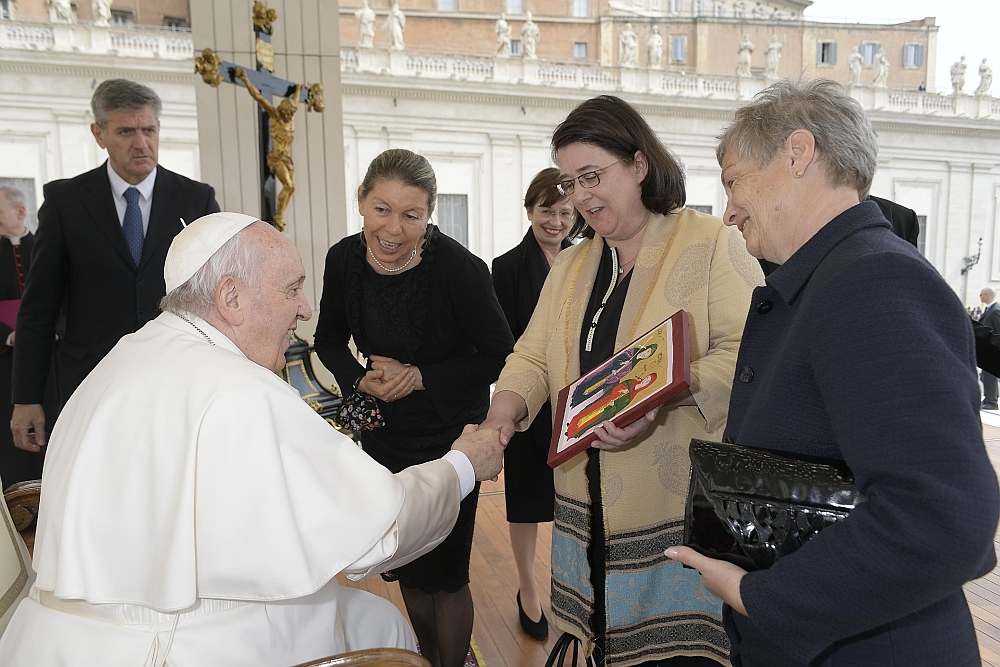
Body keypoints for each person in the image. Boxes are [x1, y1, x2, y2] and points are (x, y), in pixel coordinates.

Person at [0, 211, 506, 665]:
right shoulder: (239, 390)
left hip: (52, 641)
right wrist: (462, 463)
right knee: (386, 629)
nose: (305, 309)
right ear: (231, 298)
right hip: (179, 645)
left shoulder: (125, 355)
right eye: (291, 288)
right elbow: (379, 531)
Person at [667, 79, 999, 667]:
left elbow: (941, 518)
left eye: (733, 179)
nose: (729, 208)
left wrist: (760, 596)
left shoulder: (872, 282)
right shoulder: (832, 278)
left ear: (798, 153)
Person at [482, 95, 763, 666]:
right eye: (569, 183)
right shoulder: (572, 265)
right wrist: (498, 419)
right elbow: (533, 356)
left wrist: (658, 401)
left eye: (592, 176)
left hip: (676, 507)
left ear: (639, 165)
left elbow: (752, 353)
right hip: (582, 511)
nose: (580, 195)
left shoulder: (710, 243)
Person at [313, 149, 514, 667]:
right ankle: (428, 658)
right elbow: (329, 339)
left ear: (429, 215)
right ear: (360, 201)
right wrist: (361, 378)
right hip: (384, 436)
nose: (395, 228)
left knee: (447, 576)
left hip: (451, 439)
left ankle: (451, 662)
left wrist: (421, 377)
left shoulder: (459, 269)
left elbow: (498, 353)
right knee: (406, 563)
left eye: (411, 214)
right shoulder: (343, 261)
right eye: (382, 209)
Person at [11, 79, 219, 457]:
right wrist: (26, 397)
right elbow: (38, 308)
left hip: (177, 379)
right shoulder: (65, 202)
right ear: (99, 133)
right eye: (126, 131)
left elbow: (220, 295)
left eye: (149, 130)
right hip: (91, 382)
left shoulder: (196, 199)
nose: (141, 143)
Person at [491, 167, 581, 642]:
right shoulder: (504, 268)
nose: (556, 221)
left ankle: (569, 586)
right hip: (529, 405)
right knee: (526, 501)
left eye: (566, 212)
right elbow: (506, 343)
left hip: (577, 402)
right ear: (530, 210)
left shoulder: (590, 261)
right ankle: (527, 588)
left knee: (573, 499)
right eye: (548, 211)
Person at [0, 187, 57, 485]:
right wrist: (9, 337)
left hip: (49, 361)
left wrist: (55, 330)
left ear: (21, 212)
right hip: (5, 366)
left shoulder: (45, 246)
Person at [233, 67, 300, 232]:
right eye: (289, 112)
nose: (290, 115)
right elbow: (258, 96)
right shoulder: (276, 116)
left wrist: (297, 90)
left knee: (292, 188)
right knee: (289, 186)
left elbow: (296, 101)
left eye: (292, 113)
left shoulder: (289, 119)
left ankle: (279, 215)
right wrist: (245, 79)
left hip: (286, 158)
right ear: (283, 110)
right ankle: (279, 216)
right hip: (275, 157)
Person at [980, 287, 1000, 409]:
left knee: (990, 375)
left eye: (981, 295)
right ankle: (989, 398)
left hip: (992, 349)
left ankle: (992, 402)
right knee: (985, 376)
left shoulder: (995, 311)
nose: (981, 297)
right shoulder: (990, 310)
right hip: (988, 349)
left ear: (987, 295)